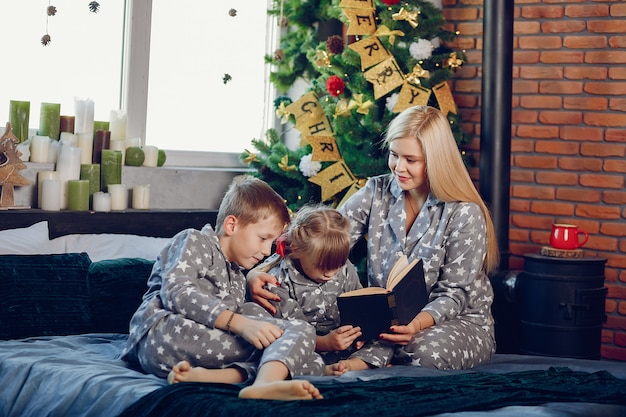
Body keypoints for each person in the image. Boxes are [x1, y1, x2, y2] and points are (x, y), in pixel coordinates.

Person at [248, 105, 499, 371]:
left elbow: (455, 294)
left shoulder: (464, 213)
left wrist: (415, 325)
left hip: (455, 323)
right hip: (385, 324)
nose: (398, 167)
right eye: (394, 155)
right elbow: (319, 236)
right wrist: (260, 270)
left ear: (436, 160)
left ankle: (377, 363)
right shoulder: (376, 191)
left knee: (420, 354)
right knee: (361, 343)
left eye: (411, 160)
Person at [121, 175, 325, 400]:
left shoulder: (237, 274)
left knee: (309, 359)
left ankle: (211, 377)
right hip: (163, 335)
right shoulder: (195, 240)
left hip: (199, 349)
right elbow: (177, 292)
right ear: (232, 225)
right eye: (263, 238)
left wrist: (249, 301)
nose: (267, 251)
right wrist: (238, 323)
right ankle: (266, 382)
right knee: (297, 336)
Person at [258, 203, 395, 375]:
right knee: (283, 356)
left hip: (346, 342)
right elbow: (290, 334)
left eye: (337, 265)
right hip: (309, 347)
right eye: (322, 266)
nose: (330, 273)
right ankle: (332, 369)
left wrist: (363, 333)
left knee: (385, 342)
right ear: (297, 250)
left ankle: (353, 365)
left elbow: (359, 304)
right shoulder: (278, 280)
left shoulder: (345, 268)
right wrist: (326, 343)